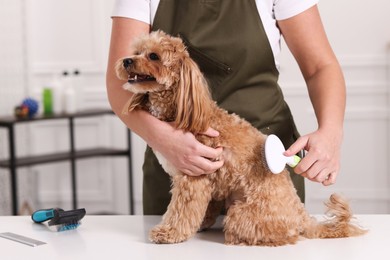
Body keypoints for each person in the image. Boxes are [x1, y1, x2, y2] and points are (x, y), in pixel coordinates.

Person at [106, 0, 346, 215]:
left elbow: (320, 67)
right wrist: (163, 140)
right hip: (176, 165)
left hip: (264, 164)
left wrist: (331, 131)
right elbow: (121, 81)